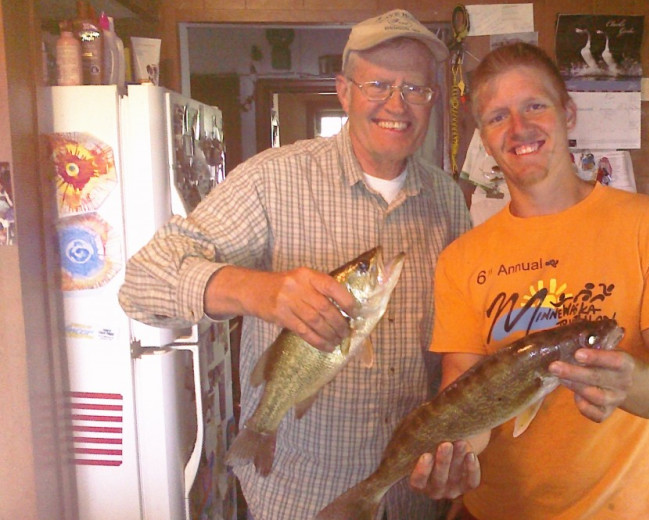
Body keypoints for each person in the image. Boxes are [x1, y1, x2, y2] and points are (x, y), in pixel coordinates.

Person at [118, 9, 471, 520]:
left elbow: (456, 337)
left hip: (409, 493)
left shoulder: (447, 199)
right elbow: (139, 283)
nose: (398, 104)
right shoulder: (270, 180)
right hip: (304, 494)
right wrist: (257, 292)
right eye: (379, 84)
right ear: (344, 91)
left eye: (416, 89)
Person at [409, 42, 649, 519]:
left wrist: (630, 379)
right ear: (484, 138)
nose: (519, 128)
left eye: (534, 105)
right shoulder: (461, 258)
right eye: (497, 117)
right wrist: (453, 454)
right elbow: (463, 387)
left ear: (567, 112)